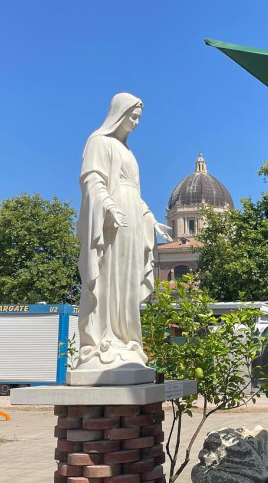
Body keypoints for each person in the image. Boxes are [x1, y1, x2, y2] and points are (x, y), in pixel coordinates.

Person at [73, 93, 172, 382]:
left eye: (139, 118)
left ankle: (126, 340)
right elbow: (92, 179)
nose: (137, 123)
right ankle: (104, 339)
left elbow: (134, 192)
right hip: (111, 219)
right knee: (109, 277)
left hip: (132, 220)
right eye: (133, 116)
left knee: (127, 281)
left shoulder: (128, 151)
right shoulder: (99, 142)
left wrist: (150, 218)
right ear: (120, 113)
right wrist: (108, 205)